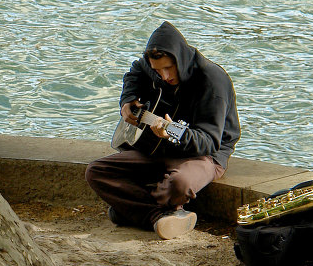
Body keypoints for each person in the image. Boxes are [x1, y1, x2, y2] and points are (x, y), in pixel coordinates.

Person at [86, 21, 240, 239]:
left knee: (180, 184)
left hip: (204, 156)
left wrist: (173, 132)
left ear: (180, 58)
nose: (165, 76)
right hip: (157, 149)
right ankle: (159, 216)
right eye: (158, 71)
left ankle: (132, 211)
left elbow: (209, 142)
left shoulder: (212, 80)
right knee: (96, 171)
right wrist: (127, 100)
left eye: (169, 68)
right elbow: (135, 72)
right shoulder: (152, 67)